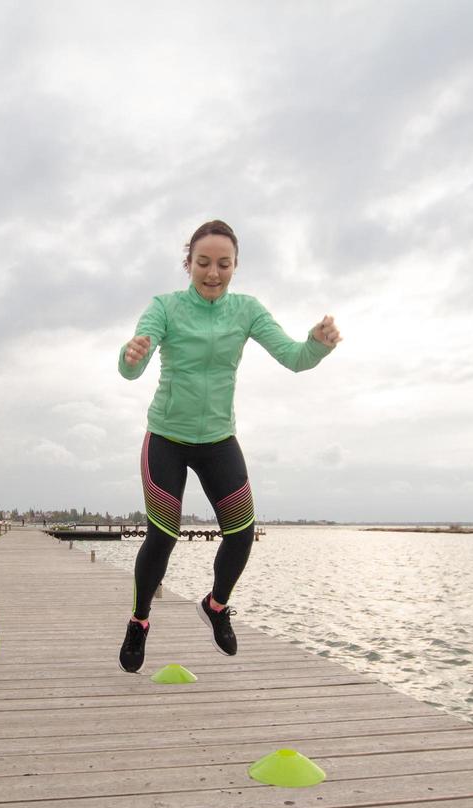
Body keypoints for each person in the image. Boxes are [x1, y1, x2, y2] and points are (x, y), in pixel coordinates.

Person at [115, 219, 341, 672]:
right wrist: (131, 353)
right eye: (203, 263)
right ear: (189, 263)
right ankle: (139, 621)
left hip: (218, 439)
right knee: (163, 534)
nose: (212, 273)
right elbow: (131, 368)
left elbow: (294, 358)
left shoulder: (247, 310)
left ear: (236, 266)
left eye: (223, 264)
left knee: (241, 532)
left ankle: (216, 605)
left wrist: (317, 344)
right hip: (166, 437)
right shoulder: (165, 306)